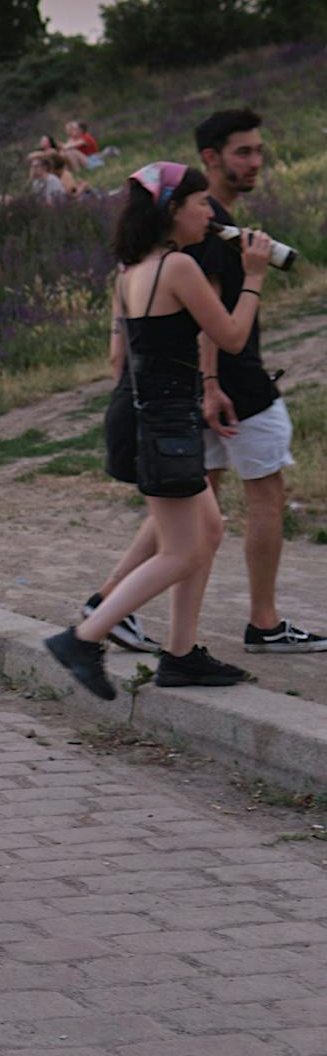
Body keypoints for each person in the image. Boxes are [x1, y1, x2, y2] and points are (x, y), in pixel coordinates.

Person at [44, 161, 269, 698]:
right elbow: (234, 337)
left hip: (141, 412)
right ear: (173, 210)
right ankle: (85, 636)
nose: (208, 213)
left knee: (206, 532)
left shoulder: (130, 271)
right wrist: (254, 276)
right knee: (183, 550)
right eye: (199, 205)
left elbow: (118, 357)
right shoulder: (179, 268)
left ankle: (181, 654)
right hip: (166, 421)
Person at [193, 108, 325, 652]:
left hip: (213, 385)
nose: (255, 161)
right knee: (265, 496)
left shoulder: (205, 216)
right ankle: (264, 623)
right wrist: (209, 384)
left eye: (259, 151)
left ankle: (113, 608)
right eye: (242, 151)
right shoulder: (209, 223)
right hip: (235, 382)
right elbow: (203, 315)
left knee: (195, 507)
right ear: (210, 158)